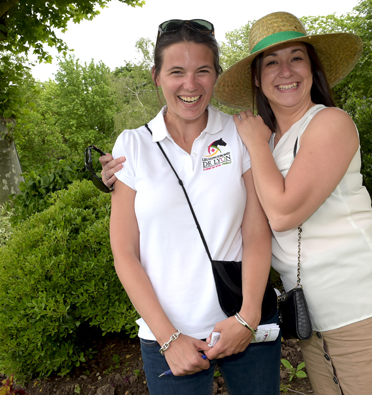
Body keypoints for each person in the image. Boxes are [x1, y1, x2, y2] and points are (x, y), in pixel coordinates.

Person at [101, 12, 372, 395]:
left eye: (296, 58)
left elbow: (271, 218)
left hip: (365, 304)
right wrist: (117, 177)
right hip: (315, 319)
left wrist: (247, 317)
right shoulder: (261, 137)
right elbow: (129, 245)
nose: (285, 72)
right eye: (271, 63)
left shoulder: (296, 128)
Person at [109, 19, 281, 395]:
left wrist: (248, 318)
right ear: (156, 76)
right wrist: (169, 339)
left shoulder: (240, 134)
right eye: (176, 72)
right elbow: (124, 253)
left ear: (216, 75)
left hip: (244, 324)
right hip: (168, 339)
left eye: (203, 71)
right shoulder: (133, 146)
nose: (191, 85)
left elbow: (255, 231)